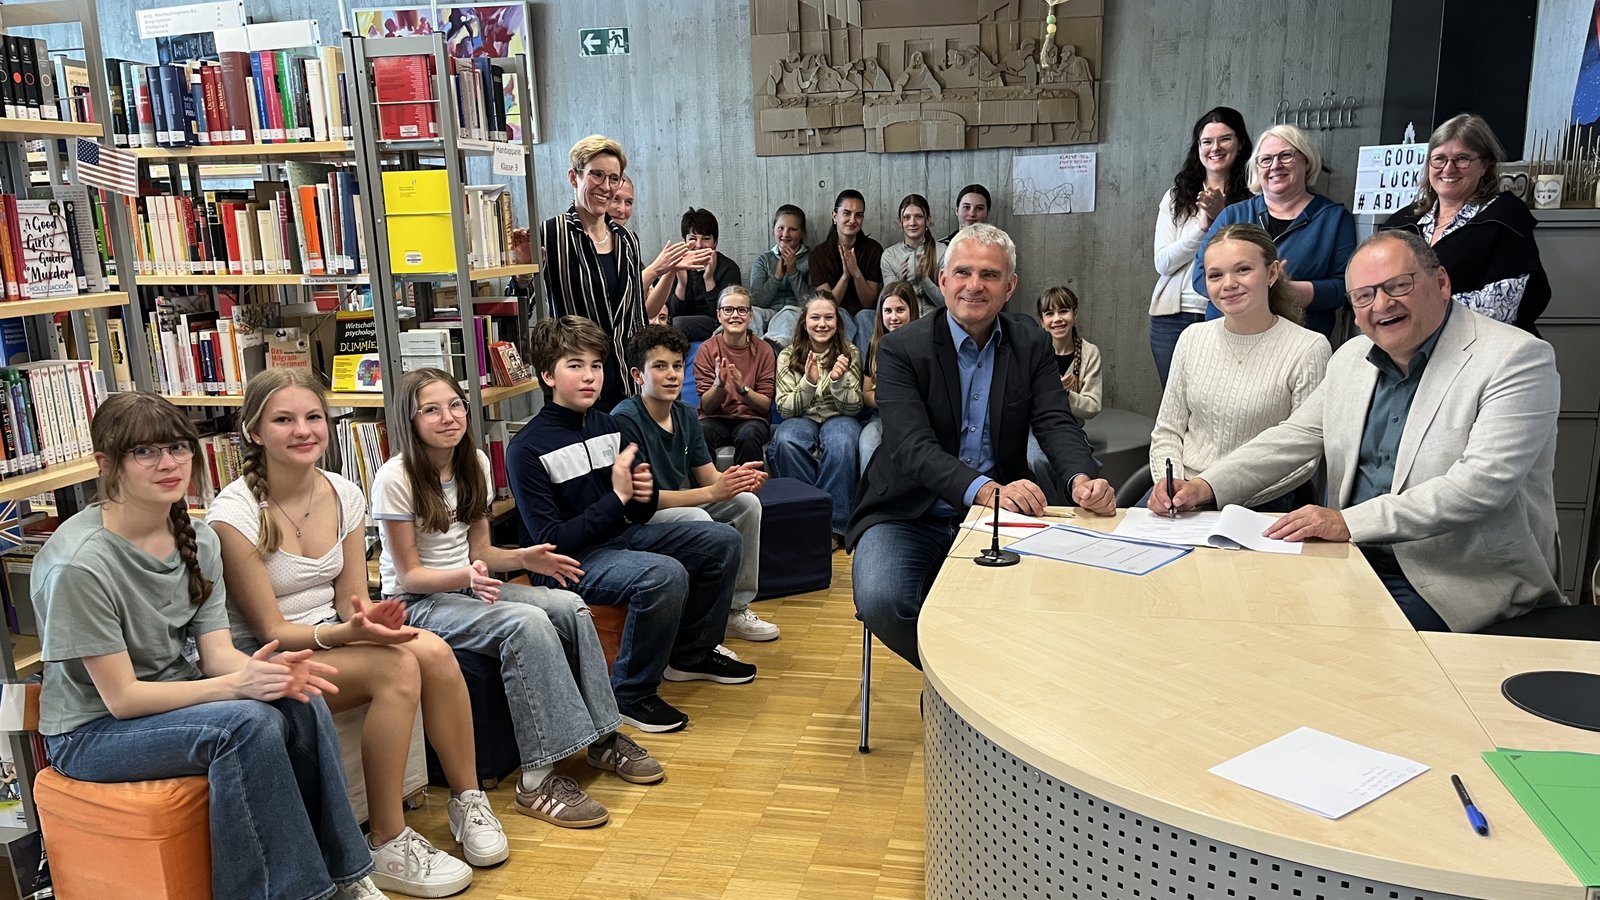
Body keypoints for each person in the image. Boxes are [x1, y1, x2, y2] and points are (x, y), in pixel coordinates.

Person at [34, 392, 391, 900]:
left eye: (178, 448)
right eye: (144, 453)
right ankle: (296, 893)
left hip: (170, 704)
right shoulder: (79, 564)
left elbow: (218, 653)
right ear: (105, 464)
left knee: (298, 698)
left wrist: (264, 675)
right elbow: (123, 699)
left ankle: (347, 876)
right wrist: (234, 687)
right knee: (248, 724)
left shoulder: (197, 541)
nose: (168, 464)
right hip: (91, 734)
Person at [1155, 230, 1565, 633]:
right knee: (1236, 619)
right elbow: (1293, 437)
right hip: (1348, 560)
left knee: (1328, 648)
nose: (1381, 305)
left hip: (1455, 578)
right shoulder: (1351, 357)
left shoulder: (1515, 358)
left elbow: (1480, 486)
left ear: (1441, 282)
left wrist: (1347, 523)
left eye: (1397, 286)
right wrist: (1205, 486)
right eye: (1363, 296)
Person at [209, 369, 503, 896]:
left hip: (333, 631)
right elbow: (271, 628)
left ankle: (468, 799)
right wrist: (349, 635)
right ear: (254, 431)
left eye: (314, 417)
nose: (304, 430)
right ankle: (388, 840)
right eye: (284, 419)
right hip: (271, 652)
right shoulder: (234, 514)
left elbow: (354, 601)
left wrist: (368, 623)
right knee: (398, 665)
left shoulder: (344, 493)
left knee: (433, 651)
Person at [373, 368, 665, 827]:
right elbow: (409, 575)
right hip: (421, 602)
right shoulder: (396, 477)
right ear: (408, 419)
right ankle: (537, 780)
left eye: (455, 405)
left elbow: (482, 551)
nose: (448, 418)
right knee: (525, 624)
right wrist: (467, 577)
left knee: (569, 606)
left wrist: (527, 558)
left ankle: (604, 737)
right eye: (430, 410)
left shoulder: (475, 461)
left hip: (470, 585)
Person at [850, 225, 1116, 668]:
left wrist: (1081, 476)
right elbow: (911, 447)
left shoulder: (1030, 342)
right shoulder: (901, 349)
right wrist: (986, 489)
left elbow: (1054, 419)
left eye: (990, 275)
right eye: (963, 272)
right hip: (906, 511)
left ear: (1010, 286)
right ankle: (960, 688)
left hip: (1001, 516)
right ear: (943, 279)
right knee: (882, 600)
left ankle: (976, 691)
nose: (975, 285)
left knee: (1055, 597)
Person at [508, 315, 753, 734]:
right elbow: (551, 541)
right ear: (547, 375)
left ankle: (690, 655)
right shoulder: (526, 448)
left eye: (596, 366)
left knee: (722, 539)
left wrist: (637, 497)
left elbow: (638, 510)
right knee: (663, 574)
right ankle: (630, 693)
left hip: (619, 536)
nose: (590, 377)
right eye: (575, 366)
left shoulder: (605, 425)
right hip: (566, 563)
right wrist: (619, 499)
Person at [1148, 225, 1330, 511]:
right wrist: (1170, 486)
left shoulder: (1309, 348)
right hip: (1182, 499)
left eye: (1243, 270)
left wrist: (1210, 494)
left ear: (1271, 274)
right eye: (1215, 275)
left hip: (1263, 502)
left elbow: (1303, 459)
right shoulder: (1192, 338)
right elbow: (1167, 432)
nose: (1228, 283)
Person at [615, 325, 778, 643]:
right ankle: (695, 623)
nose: (673, 374)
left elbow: (708, 478)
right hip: (641, 516)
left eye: (677, 366)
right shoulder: (624, 419)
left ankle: (735, 609)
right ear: (638, 375)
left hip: (681, 501)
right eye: (660, 367)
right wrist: (711, 492)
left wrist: (735, 480)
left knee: (747, 504)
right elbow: (642, 502)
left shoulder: (686, 414)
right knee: (700, 521)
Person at [541, 135, 706, 411]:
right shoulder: (551, 234)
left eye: (613, 178)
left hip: (625, 376)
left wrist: (668, 271)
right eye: (597, 175)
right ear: (574, 177)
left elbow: (636, 315)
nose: (606, 187)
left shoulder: (628, 240)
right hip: (579, 378)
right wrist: (522, 272)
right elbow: (525, 299)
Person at [1381, 113, 1551, 333]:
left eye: (1462, 158)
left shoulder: (1505, 218)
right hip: (1408, 343)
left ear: (1484, 165)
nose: (1448, 169)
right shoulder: (1402, 222)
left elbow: (1500, 305)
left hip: (1480, 347)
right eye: (1439, 158)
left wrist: (1413, 311)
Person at [1192, 124, 1356, 338]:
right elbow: (1198, 276)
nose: (1275, 165)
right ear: (1257, 168)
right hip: (1228, 337)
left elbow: (1345, 288)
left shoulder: (1333, 218)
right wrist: (1251, 290)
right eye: (1266, 160)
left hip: (1295, 343)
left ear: (1306, 161)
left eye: (1286, 156)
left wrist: (1285, 291)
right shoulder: (1233, 215)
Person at [1151, 106, 1253, 385]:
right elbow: (1163, 263)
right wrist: (1203, 228)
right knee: (1175, 401)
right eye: (1207, 141)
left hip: (1226, 311)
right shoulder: (1176, 196)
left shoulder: (1256, 196)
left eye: (1225, 139)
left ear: (1240, 143)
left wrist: (1224, 215)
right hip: (1171, 316)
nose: (1215, 148)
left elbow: (1251, 256)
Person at [770, 291, 864, 544]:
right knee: (786, 440)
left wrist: (837, 381)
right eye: (815, 317)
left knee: (842, 442)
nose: (822, 324)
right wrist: (808, 383)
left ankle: (834, 527)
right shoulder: (787, 355)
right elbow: (785, 409)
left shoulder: (850, 352)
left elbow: (854, 408)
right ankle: (805, 519)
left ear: (838, 322)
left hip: (838, 416)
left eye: (828, 317)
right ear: (804, 322)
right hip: (802, 417)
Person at [1026, 286, 1104, 503]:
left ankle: (1082, 508)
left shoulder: (1089, 352)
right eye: (1049, 313)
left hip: (1072, 426)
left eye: (1064, 311)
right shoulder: (1034, 352)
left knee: (1083, 465)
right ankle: (1049, 509)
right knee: (1036, 461)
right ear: (1041, 321)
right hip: (1035, 428)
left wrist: (1063, 394)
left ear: (1075, 314)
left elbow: (1093, 406)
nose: (1057, 319)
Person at [695, 285, 777, 466]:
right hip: (715, 419)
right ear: (719, 315)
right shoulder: (707, 349)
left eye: (741, 310)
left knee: (748, 435)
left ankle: (750, 493)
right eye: (728, 310)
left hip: (752, 420)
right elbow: (707, 408)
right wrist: (719, 385)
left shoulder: (764, 350)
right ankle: (704, 493)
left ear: (750, 315)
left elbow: (764, 406)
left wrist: (742, 389)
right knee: (699, 432)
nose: (735, 315)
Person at [858, 282, 921, 473]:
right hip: (882, 415)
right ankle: (869, 500)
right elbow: (866, 392)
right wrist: (887, 399)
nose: (893, 317)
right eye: (888, 311)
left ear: (912, 311)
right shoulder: (875, 345)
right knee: (869, 443)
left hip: (917, 417)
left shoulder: (925, 342)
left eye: (900, 310)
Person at [808, 189, 882, 336]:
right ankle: (845, 359)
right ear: (835, 216)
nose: (853, 220)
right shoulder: (818, 255)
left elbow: (868, 302)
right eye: (847, 213)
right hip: (835, 313)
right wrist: (845, 277)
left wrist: (856, 273)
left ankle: (867, 360)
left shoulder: (874, 249)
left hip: (866, 313)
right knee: (840, 315)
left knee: (865, 316)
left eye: (859, 215)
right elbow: (827, 305)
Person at [668, 208, 743, 341]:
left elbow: (725, 314)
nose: (699, 245)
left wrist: (709, 280)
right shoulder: (676, 266)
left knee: (677, 324)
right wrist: (682, 284)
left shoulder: (729, 268)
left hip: (714, 324)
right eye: (692, 239)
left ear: (715, 242)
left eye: (706, 239)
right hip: (680, 322)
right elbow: (670, 314)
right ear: (684, 241)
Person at [878, 193, 944, 324]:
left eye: (918, 217)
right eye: (907, 217)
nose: (912, 223)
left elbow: (947, 304)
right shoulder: (889, 255)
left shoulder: (943, 251)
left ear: (928, 220)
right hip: (902, 323)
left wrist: (925, 280)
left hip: (935, 321)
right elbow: (890, 306)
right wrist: (900, 284)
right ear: (900, 222)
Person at [750, 204, 812, 346]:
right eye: (781, 228)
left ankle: (772, 350)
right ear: (774, 230)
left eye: (792, 229)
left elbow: (809, 303)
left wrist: (793, 272)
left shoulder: (812, 259)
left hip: (795, 314)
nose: (785, 234)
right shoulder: (763, 260)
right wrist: (777, 276)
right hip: (768, 312)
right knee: (751, 313)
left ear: (802, 232)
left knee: (788, 313)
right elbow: (757, 301)